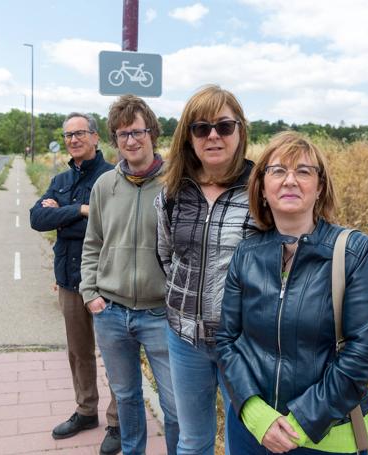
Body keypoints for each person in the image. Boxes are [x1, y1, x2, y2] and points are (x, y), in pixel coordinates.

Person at [216, 131, 368, 454]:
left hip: (327, 436)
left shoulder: (352, 251)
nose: (290, 180)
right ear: (263, 187)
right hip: (252, 432)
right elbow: (227, 339)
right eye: (278, 170)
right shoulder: (247, 254)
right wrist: (255, 413)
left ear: (319, 187)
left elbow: (365, 352)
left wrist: (299, 423)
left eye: (304, 171)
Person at [155, 84, 255, 455]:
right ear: (189, 137)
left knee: (241, 442)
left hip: (244, 344)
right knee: (192, 441)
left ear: (240, 131)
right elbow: (165, 256)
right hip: (184, 339)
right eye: (201, 128)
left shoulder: (261, 189)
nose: (213, 135)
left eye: (224, 126)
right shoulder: (171, 192)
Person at [80, 95, 179, 455]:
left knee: (174, 404)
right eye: (122, 135)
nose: (131, 141)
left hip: (160, 315)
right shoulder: (105, 186)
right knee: (126, 397)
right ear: (115, 140)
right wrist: (90, 293)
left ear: (152, 133)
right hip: (111, 312)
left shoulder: (177, 184)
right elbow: (92, 244)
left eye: (137, 131)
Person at [30, 113, 120, 455]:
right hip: (68, 281)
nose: (73, 140)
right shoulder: (61, 178)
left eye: (79, 133)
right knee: (78, 353)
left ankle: (118, 420)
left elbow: (108, 225)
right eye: (67, 135)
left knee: (115, 355)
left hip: (105, 282)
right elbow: (37, 219)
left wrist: (65, 213)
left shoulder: (112, 177)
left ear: (95, 137)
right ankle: (86, 411)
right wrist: (79, 210)